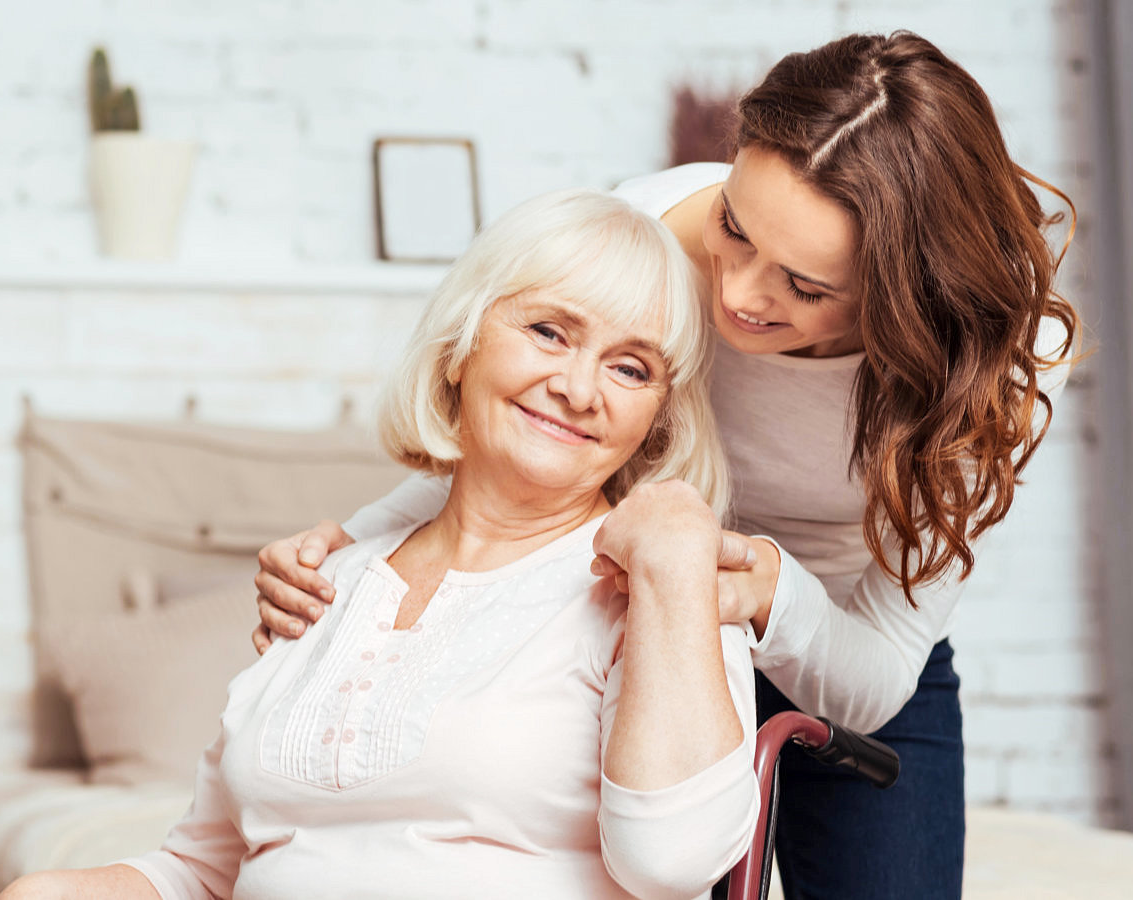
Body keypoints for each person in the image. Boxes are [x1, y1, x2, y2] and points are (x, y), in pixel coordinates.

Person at [248, 32, 1079, 900]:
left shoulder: (995, 357)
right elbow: (534, 435)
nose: (739, 295)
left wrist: (772, 595)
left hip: (852, 652)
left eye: (804, 287)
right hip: (637, 625)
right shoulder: (638, 241)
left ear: (908, 293)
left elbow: (877, 670)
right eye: (734, 226)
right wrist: (350, 552)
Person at [1, 189, 759, 900]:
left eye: (631, 368)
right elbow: (205, 869)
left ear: (657, 420)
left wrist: (671, 564)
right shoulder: (329, 584)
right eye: (547, 332)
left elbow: (675, 861)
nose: (579, 387)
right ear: (460, 345)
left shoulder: (664, 587)